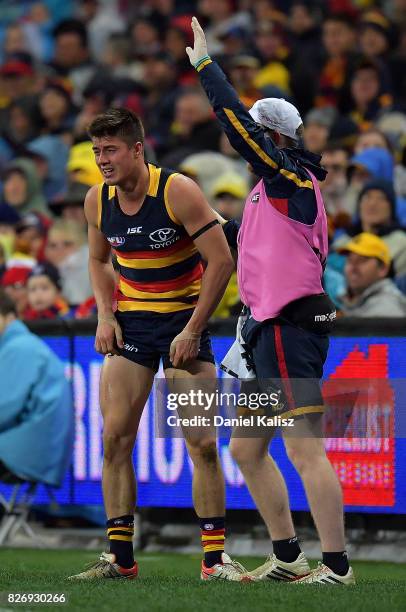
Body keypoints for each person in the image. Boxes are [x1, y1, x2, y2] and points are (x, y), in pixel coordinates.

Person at [186, 17, 354, 585]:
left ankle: (336, 566)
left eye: (259, 135)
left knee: (305, 450)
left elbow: (235, 124)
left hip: (289, 328)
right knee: (246, 450)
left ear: (273, 138)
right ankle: (289, 556)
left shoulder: (289, 178)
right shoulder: (269, 190)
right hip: (265, 332)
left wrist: (207, 68)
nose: (248, 144)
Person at [68, 108, 244, 582]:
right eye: (97, 151)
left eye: (111, 150)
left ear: (138, 150)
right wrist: (105, 315)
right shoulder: (96, 200)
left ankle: (213, 560)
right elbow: (99, 260)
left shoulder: (177, 190)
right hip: (133, 328)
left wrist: (192, 329)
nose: (103, 160)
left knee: (203, 443)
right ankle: (120, 559)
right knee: (113, 439)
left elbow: (221, 261)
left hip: (184, 325)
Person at [0, 289, 73, 487]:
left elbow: (5, 408)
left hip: (30, 449)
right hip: (39, 445)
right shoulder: (21, 344)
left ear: (9, 317)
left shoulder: (18, 347)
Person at [337, 232, 406, 318]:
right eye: (350, 260)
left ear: (383, 269)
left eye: (361, 260)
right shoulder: (344, 302)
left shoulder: (387, 309)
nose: (353, 267)